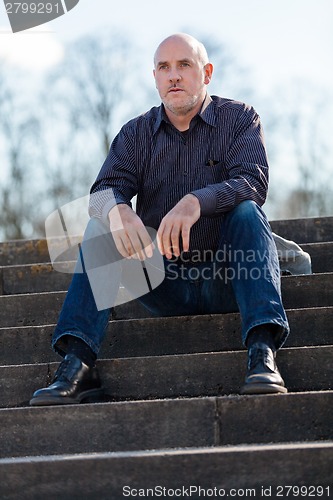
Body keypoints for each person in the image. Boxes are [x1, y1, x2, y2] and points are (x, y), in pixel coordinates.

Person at [30, 32, 291, 406]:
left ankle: (263, 353)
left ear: (207, 72)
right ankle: (78, 365)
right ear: (154, 77)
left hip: (231, 277)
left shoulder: (239, 118)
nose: (174, 76)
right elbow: (103, 191)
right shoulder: (136, 133)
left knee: (248, 211)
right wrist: (119, 211)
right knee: (102, 224)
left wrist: (195, 202)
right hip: (162, 281)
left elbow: (252, 182)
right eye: (164, 67)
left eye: (184, 65)